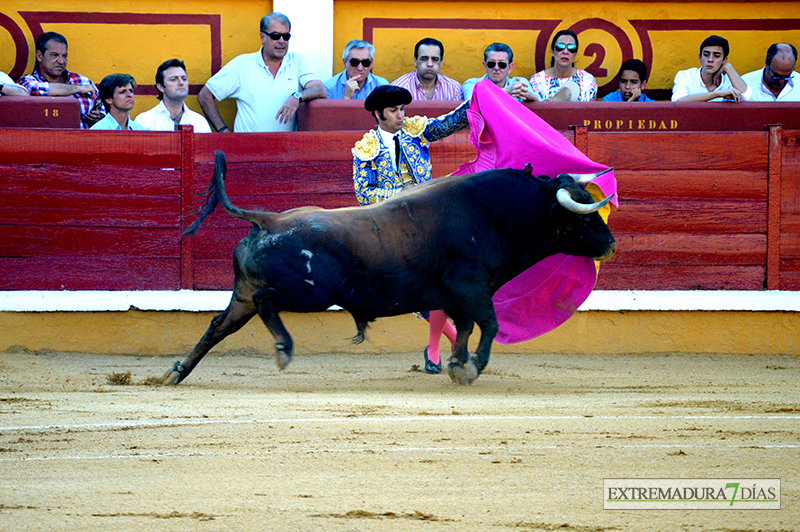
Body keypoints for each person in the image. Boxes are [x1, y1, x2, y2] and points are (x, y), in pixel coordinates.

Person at [352, 85, 469, 373]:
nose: (401, 115)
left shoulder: (416, 130)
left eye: (402, 109)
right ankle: (454, 339)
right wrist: (403, 194)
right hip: (390, 228)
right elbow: (364, 193)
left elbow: (451, 122)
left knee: (439, 281)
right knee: (414, 289)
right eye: (394, 111)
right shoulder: (366, 147)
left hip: (427, 222)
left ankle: (434, 349)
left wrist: (481, 97)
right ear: (378, 114)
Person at [198, 12, 326, 132]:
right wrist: (223, 131)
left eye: (286, 36)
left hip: (285, 152)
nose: (281, 41)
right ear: (262, 37)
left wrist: (297, 96)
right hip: (248, 151)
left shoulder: (297, 61)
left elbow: (320, 89)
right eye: (275, 36)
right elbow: (205, 95)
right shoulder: (242, 65)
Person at [17, 32, 104, 128]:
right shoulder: (26, 82)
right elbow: (37, 89)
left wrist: (98, 117)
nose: (61, 61)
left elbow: (103, 111)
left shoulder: (83, 81)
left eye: (64, 56)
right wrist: (78, 89)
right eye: (55, 55)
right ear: (39, 56)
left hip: (84, 141)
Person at [134, 59, 212, 132]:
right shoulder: (144, 121)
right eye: (173, 79)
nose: (181, 82)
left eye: (184, 78)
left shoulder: (200, 122)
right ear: (160, 87)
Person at [671, 35, 751, 103]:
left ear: (724, 60)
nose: (710, 60)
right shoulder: (686, 76)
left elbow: (746, 97)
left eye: (716, 56)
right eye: (706, 55)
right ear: (700, 57)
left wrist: (728, 67)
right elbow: (678, 101)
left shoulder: (728, 80)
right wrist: (717, 94)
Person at [529, 30, 597, 102]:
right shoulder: (536, 81)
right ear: (552, 51)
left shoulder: (588, 81)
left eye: (571, 48)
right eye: (560, 47)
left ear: (575, 54)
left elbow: (593, 111)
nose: (565, 52)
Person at [391, 38, 463, 101]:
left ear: (441, 62)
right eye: (424, 59)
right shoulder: (399, 88)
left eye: (435, 59)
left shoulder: (454, 89)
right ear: (415, 61)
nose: (429, 64)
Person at [462, 43, 534, 102]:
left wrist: (527, 95)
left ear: (510, 67)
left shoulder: (520, 83)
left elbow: (539, 102)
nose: (496, 68)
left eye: (502, 64)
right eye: (491, 64)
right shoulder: (472, 84)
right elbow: (472, 102)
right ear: (485, 66)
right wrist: (506, 92)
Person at [324, 40, 388, 100]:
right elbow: (327, 112)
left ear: (371, 64)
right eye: (354, 62)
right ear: (345, 63)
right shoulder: (329, 88)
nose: (360, 68)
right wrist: (346, 97)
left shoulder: (382, 86)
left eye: (365, 62)